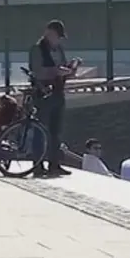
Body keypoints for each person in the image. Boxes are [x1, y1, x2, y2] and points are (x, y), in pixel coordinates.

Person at [29, 20, 79, 177]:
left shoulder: (59, 50)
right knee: (40, 130)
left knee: (56, 131)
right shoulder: (37, 49)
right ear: (49, 33)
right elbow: (37, 71)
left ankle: (54, 164)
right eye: (57, 36)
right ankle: (37, 165)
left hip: (58, 92)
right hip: (42, 93)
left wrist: (70, 69)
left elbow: (62, 69)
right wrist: (56, 71)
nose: (58, 40)